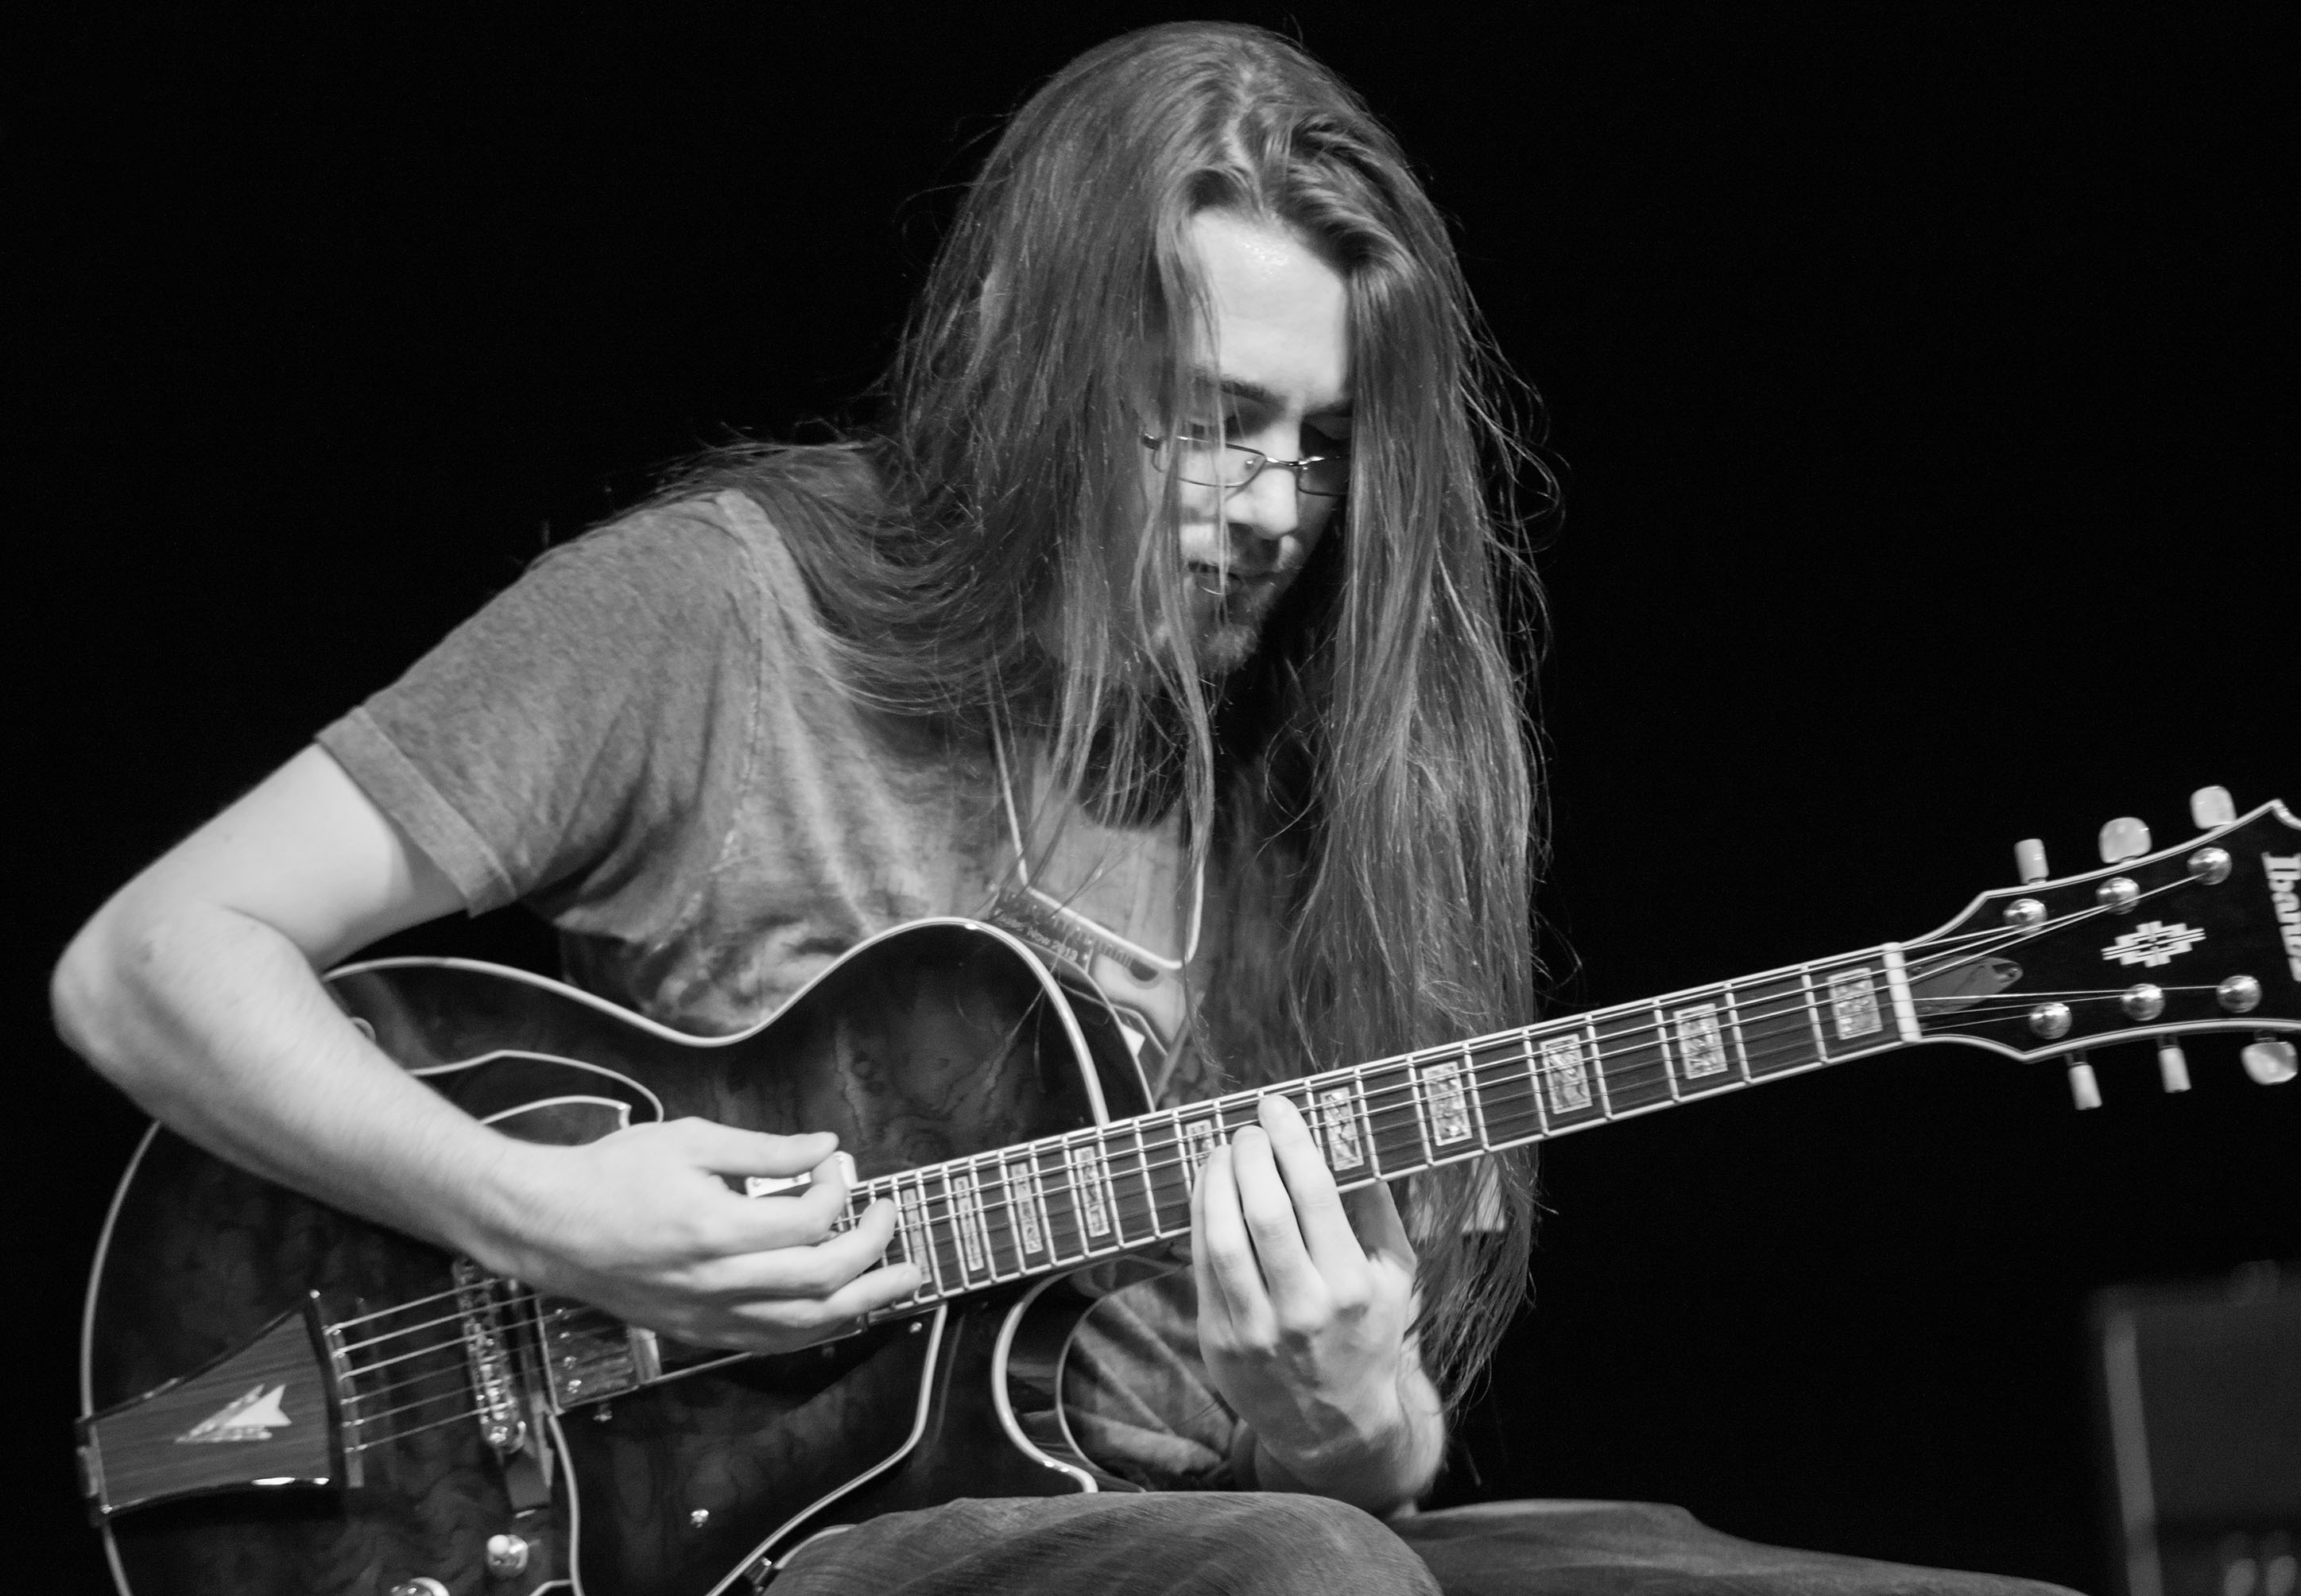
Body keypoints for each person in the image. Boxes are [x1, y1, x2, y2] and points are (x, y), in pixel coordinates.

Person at [53, 23, 2077, 1596]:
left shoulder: (1355, 811)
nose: (1271, 508)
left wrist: (1349, 1409)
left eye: (1321, 446)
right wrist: (534, 1206)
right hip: (764, 1544)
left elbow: (1359, 1471)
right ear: (1040, 372)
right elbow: (147, 961)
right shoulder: (725, 613)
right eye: (1208, 423)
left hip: (1192, 1532)